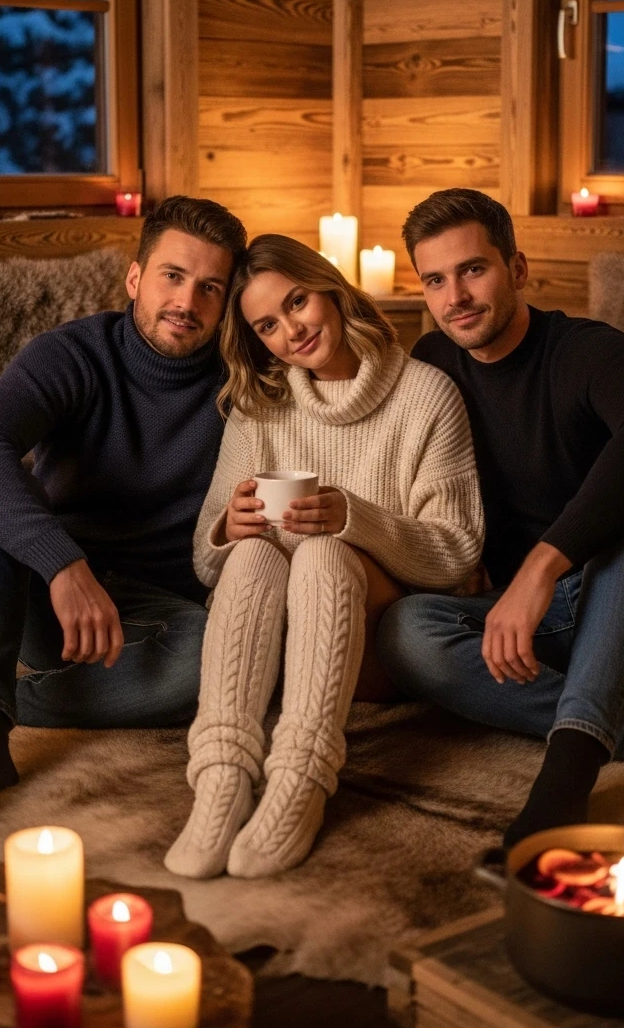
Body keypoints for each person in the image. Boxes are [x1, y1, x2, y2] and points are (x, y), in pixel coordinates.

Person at [376, 189, 624, 847]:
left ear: (519, 269)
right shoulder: (432, 366)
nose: (457, 297)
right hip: (538, 630)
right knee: (405, 631)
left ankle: (567, 776)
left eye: (473, 269)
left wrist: (542, 564)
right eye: (436, 280)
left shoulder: (588, 350)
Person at [0, 196, 247, 836]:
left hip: (158, 618)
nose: (187, 302)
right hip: (52, 601)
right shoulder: (76, 354)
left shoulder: (243, 375)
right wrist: (65, 565)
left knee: (214, 664)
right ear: (135, 278)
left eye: (209, 286)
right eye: (172, 275)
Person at [163, 234, 482, 879]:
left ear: (330, 289)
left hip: (386, 636)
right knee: (251, 555)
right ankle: (223, 776)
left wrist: (354, 518)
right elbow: (205, 557)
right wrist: (230, 526)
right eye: (268, 326)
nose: (292, 331)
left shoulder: (428, 395)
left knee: (323, 553)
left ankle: (302, 777)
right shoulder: (261, 404)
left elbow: (456, 553)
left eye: (298, 301)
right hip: (287, 638)